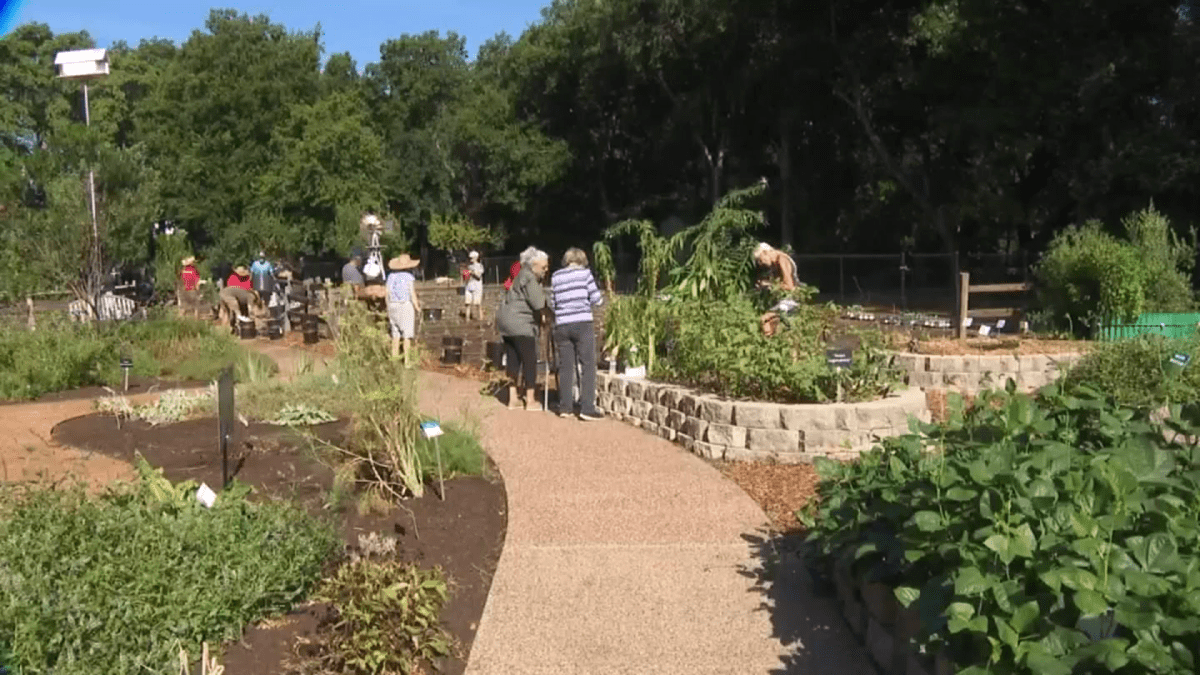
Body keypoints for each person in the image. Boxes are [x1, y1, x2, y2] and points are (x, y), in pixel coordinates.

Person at [549, 247, 605, 420]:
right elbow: (597, 299)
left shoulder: (556, 276)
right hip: (582, 322)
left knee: (566, 366)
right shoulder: (585, 275)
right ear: (582, 260)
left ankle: (565, 407)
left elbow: (552, 301)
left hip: (562, 324)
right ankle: (587, 408)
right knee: (587, 364)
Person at [496, 247, 549, 411]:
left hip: (505, 321)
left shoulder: (518, 275)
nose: (546, 271)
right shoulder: (529, 277)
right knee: (529, 360)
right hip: (521, 323)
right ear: (533, 265)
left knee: (513, 358)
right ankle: (531, 400)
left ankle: (513, 399)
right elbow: (538, 303)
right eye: (543, 267)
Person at [753, 243, 800, 337]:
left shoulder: (782, 259)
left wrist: (769, 284)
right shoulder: (775, 264)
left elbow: (790, 286)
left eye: (760, 260)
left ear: (765, 252)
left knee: (765, 320)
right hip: (783, 300)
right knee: (770, 326)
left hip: (791, 300)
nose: (761, 264)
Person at [385, 254, 422, 366]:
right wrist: (417, 307)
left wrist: (388, 306)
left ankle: (394, 359)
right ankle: (407, 361)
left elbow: (387, 293)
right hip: (405, 305)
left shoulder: (390, 276)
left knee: (395, 334)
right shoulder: (408, 276)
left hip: (392, 305)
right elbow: (412, 293)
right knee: (407, 335)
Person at [462, 250, 485, 321]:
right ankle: (467, 318)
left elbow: (478, 275)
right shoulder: (469, 266)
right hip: (469, 285)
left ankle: (481, 318)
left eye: (471, 258)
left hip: (477, 285)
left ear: (475, 258)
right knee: (467, 303)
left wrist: (471, 272)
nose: (470, 259)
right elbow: (466, 277)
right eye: (470, 258)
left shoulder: (480, 266)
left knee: (477, 303)